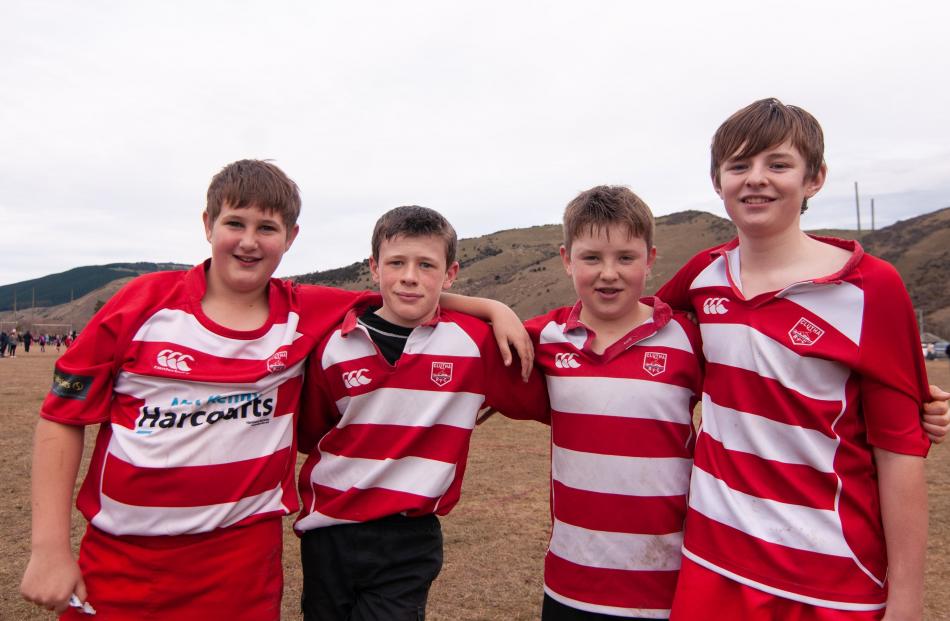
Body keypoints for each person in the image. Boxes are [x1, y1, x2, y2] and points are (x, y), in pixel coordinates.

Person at [19, 160, 371, 620]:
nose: (249, 241)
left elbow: (407, 296)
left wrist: (489, 308)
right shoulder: (141, 303)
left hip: (242, 571)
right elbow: (61, 417)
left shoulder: (304, 312)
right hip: (123, 565)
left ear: (291, 237)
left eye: (267, 227)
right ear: (208, 225)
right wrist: (48, 550)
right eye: (234, 223)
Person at [657, 98, 932, 620]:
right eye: (739, 165)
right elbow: (627, 327)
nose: (756, 179)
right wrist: (478, 307)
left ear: (815, 179)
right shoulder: (702, 276)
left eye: (777, 164)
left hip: (829, 577)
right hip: (713, 561)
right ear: (717, 181)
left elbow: (899, 455)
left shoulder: (871, 287)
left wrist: (908, 605)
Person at [295, 205, 549, 621]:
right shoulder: (334, 346)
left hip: (409, 535)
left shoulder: (475, 344)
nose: (410, 276)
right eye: (396, 262)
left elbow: (540, 395)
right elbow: (313, 434)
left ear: (450, 274)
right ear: (374, 268)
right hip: (329, 533)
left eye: (426, 265)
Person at [524, 185, 702, 620]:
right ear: (567, 260)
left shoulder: (688, 336)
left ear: (650, 259)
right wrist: (491, 309)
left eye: (625, 257)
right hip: (572, 583)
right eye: (591, 258)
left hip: (669, 580)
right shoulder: (545, 339)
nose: (609, 273)